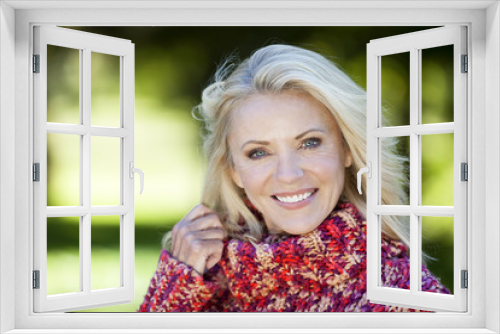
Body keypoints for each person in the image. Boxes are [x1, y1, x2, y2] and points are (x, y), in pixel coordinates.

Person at [138, 44, 449, 313]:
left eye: (309, 143)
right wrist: (173, 292)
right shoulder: (198, 277)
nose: (289, 175)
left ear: (347, 150)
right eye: (258, 153)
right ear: (233, 170)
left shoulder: (405, 296)